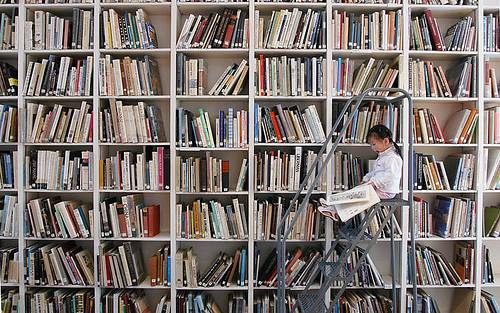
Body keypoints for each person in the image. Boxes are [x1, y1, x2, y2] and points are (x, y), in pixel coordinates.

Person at [318, 124, 402, 221]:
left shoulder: (392, 158)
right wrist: (367, 179)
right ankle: (333, 206)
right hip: (379, 188)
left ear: (386, 141)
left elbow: (389, 176)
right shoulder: (384, 155)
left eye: (374, 144)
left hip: (386, 191)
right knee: (356, 192)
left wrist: (373, 182)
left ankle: (335, 210)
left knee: (359, 195)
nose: (372, 148)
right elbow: (375, 172)